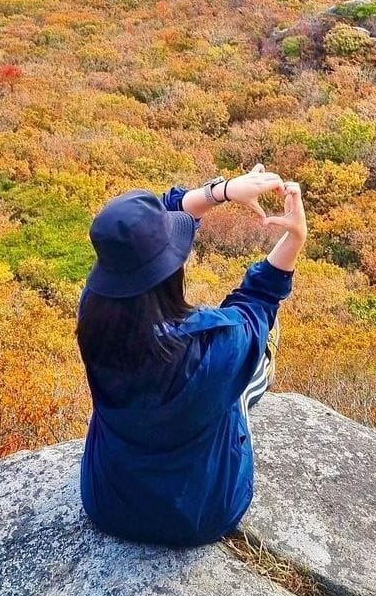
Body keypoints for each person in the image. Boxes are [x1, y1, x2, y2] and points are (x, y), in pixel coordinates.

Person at [76, 164, 307, 546]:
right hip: (201, 515)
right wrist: (294, 239)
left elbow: (160, 217)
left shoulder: (93, 316)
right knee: (256, 355)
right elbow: (259, 303)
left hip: (109, 502)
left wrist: (223, 190)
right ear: (171, 274)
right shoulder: (219, 344)